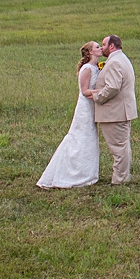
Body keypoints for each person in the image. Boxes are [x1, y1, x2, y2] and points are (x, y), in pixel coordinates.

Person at [38, 42, 103, 188]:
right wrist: (103, 91)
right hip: (85, 109)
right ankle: (72, 173)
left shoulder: (96, 67)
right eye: (97, 47)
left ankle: (87, 171)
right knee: (80, 137)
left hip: (93, 107)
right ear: (91, 52)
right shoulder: (87, 69)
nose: (100, 49)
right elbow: (85, 92)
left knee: (91, 138)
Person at [90, 33, 138, 185]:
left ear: (111, 46)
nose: (102, 48)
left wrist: (98, 97)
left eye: (104, 45)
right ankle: (122, 177)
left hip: (115, 112)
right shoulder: (122, 58)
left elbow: (113, 87)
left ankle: (119, 180)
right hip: (121, 111)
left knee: (118, 148)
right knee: (122, 146)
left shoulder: (114, 62)